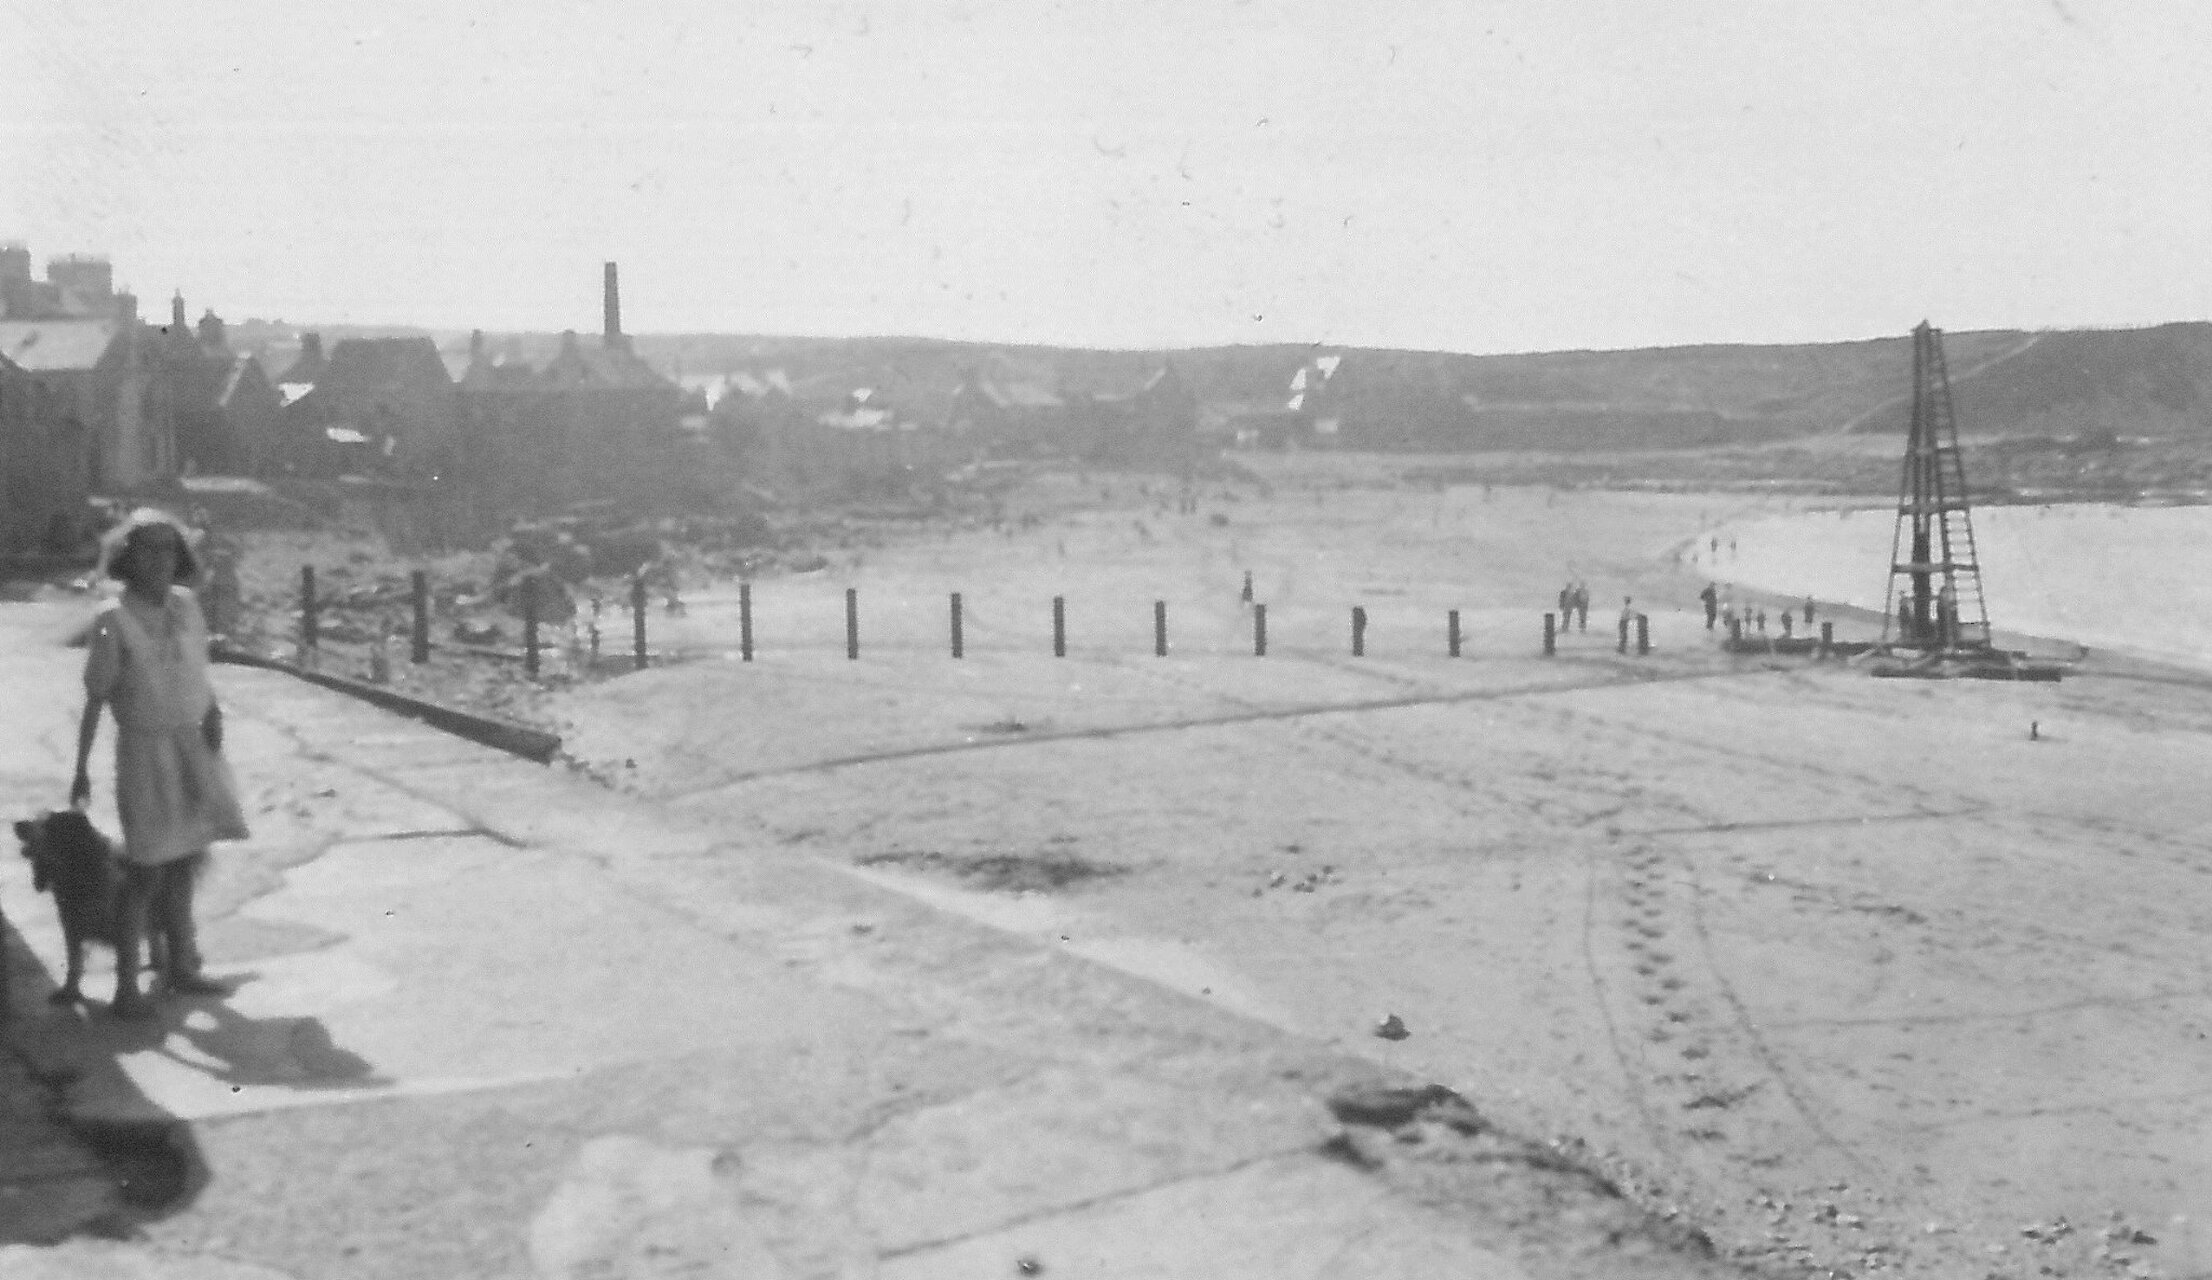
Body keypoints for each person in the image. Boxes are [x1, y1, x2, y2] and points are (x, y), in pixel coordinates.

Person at [70, 509, 249, 1018]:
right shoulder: (112, 620)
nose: (161, 559)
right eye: (149, 548)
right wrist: (81, 768)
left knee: (184, 864)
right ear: (127, 557)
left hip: (192, 749)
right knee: (146, 870)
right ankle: (127, 985)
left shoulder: (188, 607)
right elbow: (96, 699)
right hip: (145, 756)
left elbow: (196, 668)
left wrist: (211, 709)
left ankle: (181, 967)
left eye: (170, 549)